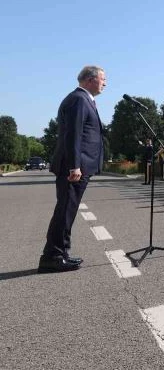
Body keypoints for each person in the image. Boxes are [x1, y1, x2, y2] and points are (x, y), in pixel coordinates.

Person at [40, 65, 106, 273]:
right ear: (89, 79)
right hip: (75, 168)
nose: (105, 83)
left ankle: (60, 253)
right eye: (102, 79)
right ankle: (53, 256)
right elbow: (74, 134)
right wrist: (74, 165)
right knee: (65, 211)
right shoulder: (79, 99)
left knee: (67, 210)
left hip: (80, 166)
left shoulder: (85, 100)